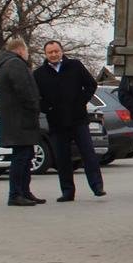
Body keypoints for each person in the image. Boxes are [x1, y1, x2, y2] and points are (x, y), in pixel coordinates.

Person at [33, 40, 104, 202]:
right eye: (50, 52)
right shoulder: (39, 74)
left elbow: (91, 85)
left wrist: (81, 102)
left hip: (78, 119)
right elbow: (36, 97)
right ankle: (67, 191)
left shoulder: (75, 66)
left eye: (56, 51)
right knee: (62, 158)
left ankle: (97, 186)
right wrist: (47, 108)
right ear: (46, 54)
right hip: (57, 122)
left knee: (88, 154)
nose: (53, 54)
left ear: (61, 51)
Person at [0, 38, 45, 207]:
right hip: (21, 120)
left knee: (26, 156)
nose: (27, 54)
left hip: (15, 121)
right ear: (20, 50)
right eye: (26, 51)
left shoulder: (4, 65)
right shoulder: (15, 64)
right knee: (21, 158)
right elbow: (25, 90)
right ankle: (16, 194)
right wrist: (34, 106)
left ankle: (25, 191)